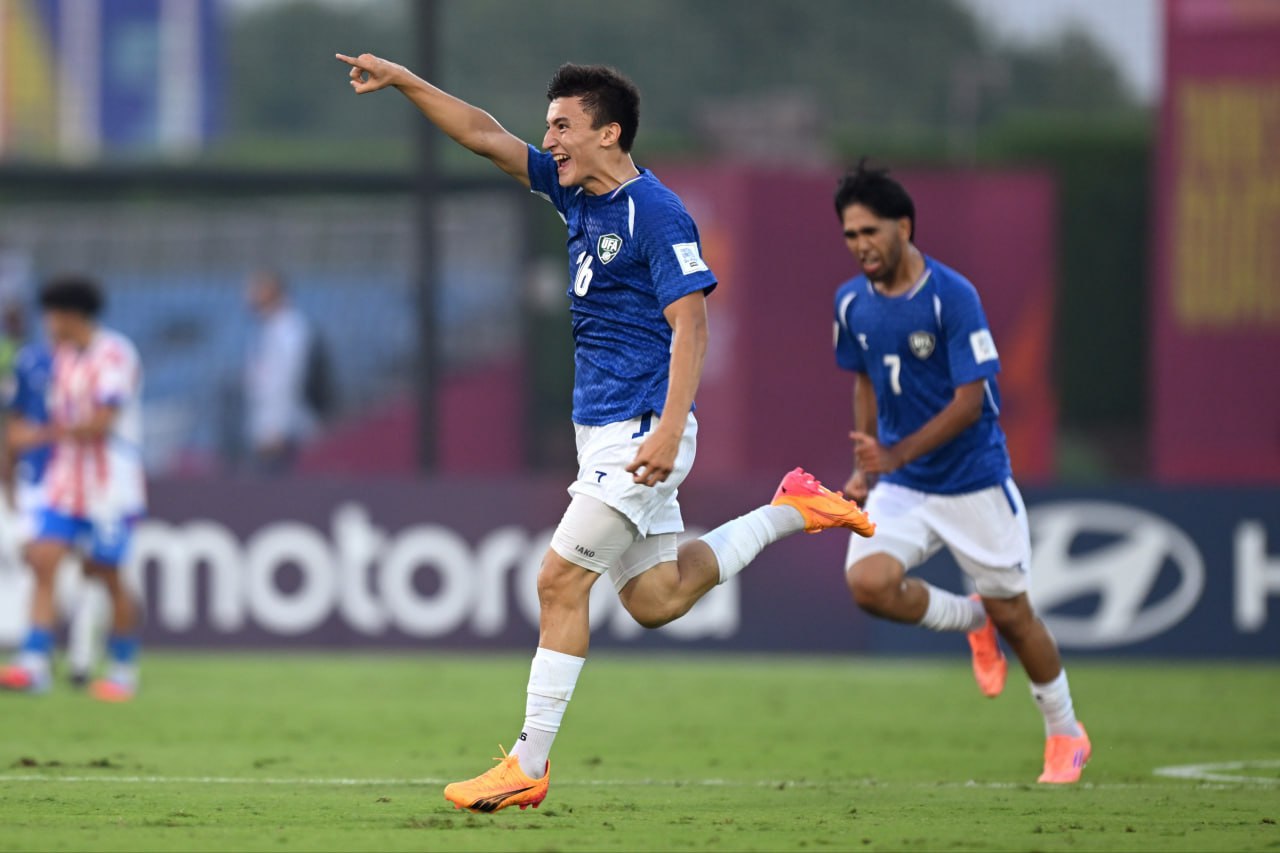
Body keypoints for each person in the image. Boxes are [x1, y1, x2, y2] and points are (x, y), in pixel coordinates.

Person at [336, 53, 876, 813]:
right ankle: (794, 508)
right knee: (657, 598)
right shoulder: (573, 192)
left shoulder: (655, 213)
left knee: (558, 581)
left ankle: (528, 761)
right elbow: (484, 136)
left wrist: (667, 429)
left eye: (563, 125)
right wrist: (407, 82)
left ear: (608, 132)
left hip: (640, 430)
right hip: (605, 432)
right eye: (549, 125)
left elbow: (691, 324)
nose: (547, 137)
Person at [829, 162, 1090, 784]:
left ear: (903, 226)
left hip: (973, 482)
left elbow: (972, 400)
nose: (861, 245)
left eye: (870, 231)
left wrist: (895, 453)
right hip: (903, 486)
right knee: (867, 583)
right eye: (849, 235)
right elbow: (864, 377)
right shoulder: (849, 303)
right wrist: (866, 466)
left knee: (1020, 618)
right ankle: (974, 620)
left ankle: (1065, 731)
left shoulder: (953, 296)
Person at [0, 276, 146, 702]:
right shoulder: (61, 358)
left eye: (51, 314)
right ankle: (34, 663)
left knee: (105, 573)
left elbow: (103, 421)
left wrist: (39, 435)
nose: (47, 323)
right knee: (43, 558)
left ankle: (122, 668)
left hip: (109, 486)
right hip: (65, 481)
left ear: (69, 315)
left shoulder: (114, 353)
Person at [3, 331, 102, 687]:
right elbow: (13, 430)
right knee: (42, 565)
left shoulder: (100, 361)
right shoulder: (30, 362)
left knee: (89, 572)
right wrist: (10, 478)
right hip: (39, 481)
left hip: (87, 484)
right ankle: (37, 659)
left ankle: (80, 657)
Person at [243, 271, 316, 474]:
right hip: (267, 424)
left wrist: (276, 427)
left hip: (281, 429)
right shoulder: (267, 328)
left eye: (257, 288)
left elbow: (288, 381)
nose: (250, 294)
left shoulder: (288, 329)